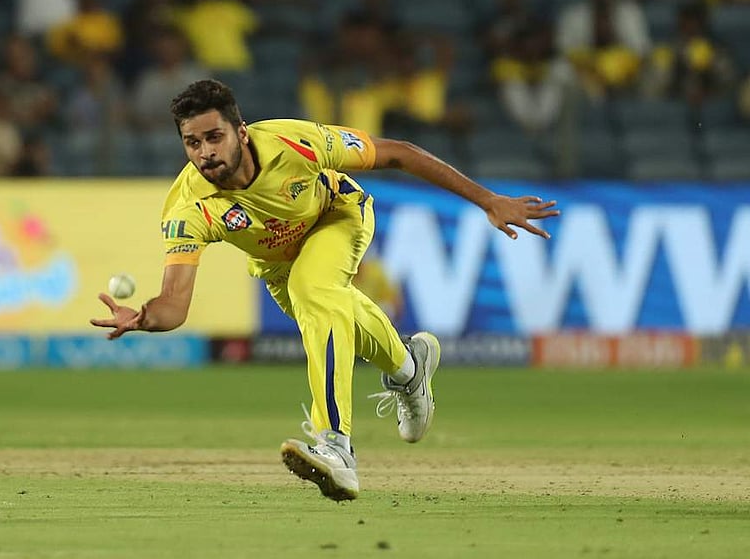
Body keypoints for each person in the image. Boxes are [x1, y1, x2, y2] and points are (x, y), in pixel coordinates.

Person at [90, 79, 558, 501]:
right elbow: (174, 305)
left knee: (313, 288)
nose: (205, 152)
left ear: (241, 133)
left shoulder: (293, 142)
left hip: (336, 215)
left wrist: (487, 200)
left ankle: (335, 445)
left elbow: (399, 153)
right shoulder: (188, 206)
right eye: (193, 143)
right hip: (276, 263)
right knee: (331, 310)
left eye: (215, 137)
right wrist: (145, 317)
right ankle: (409, 367)